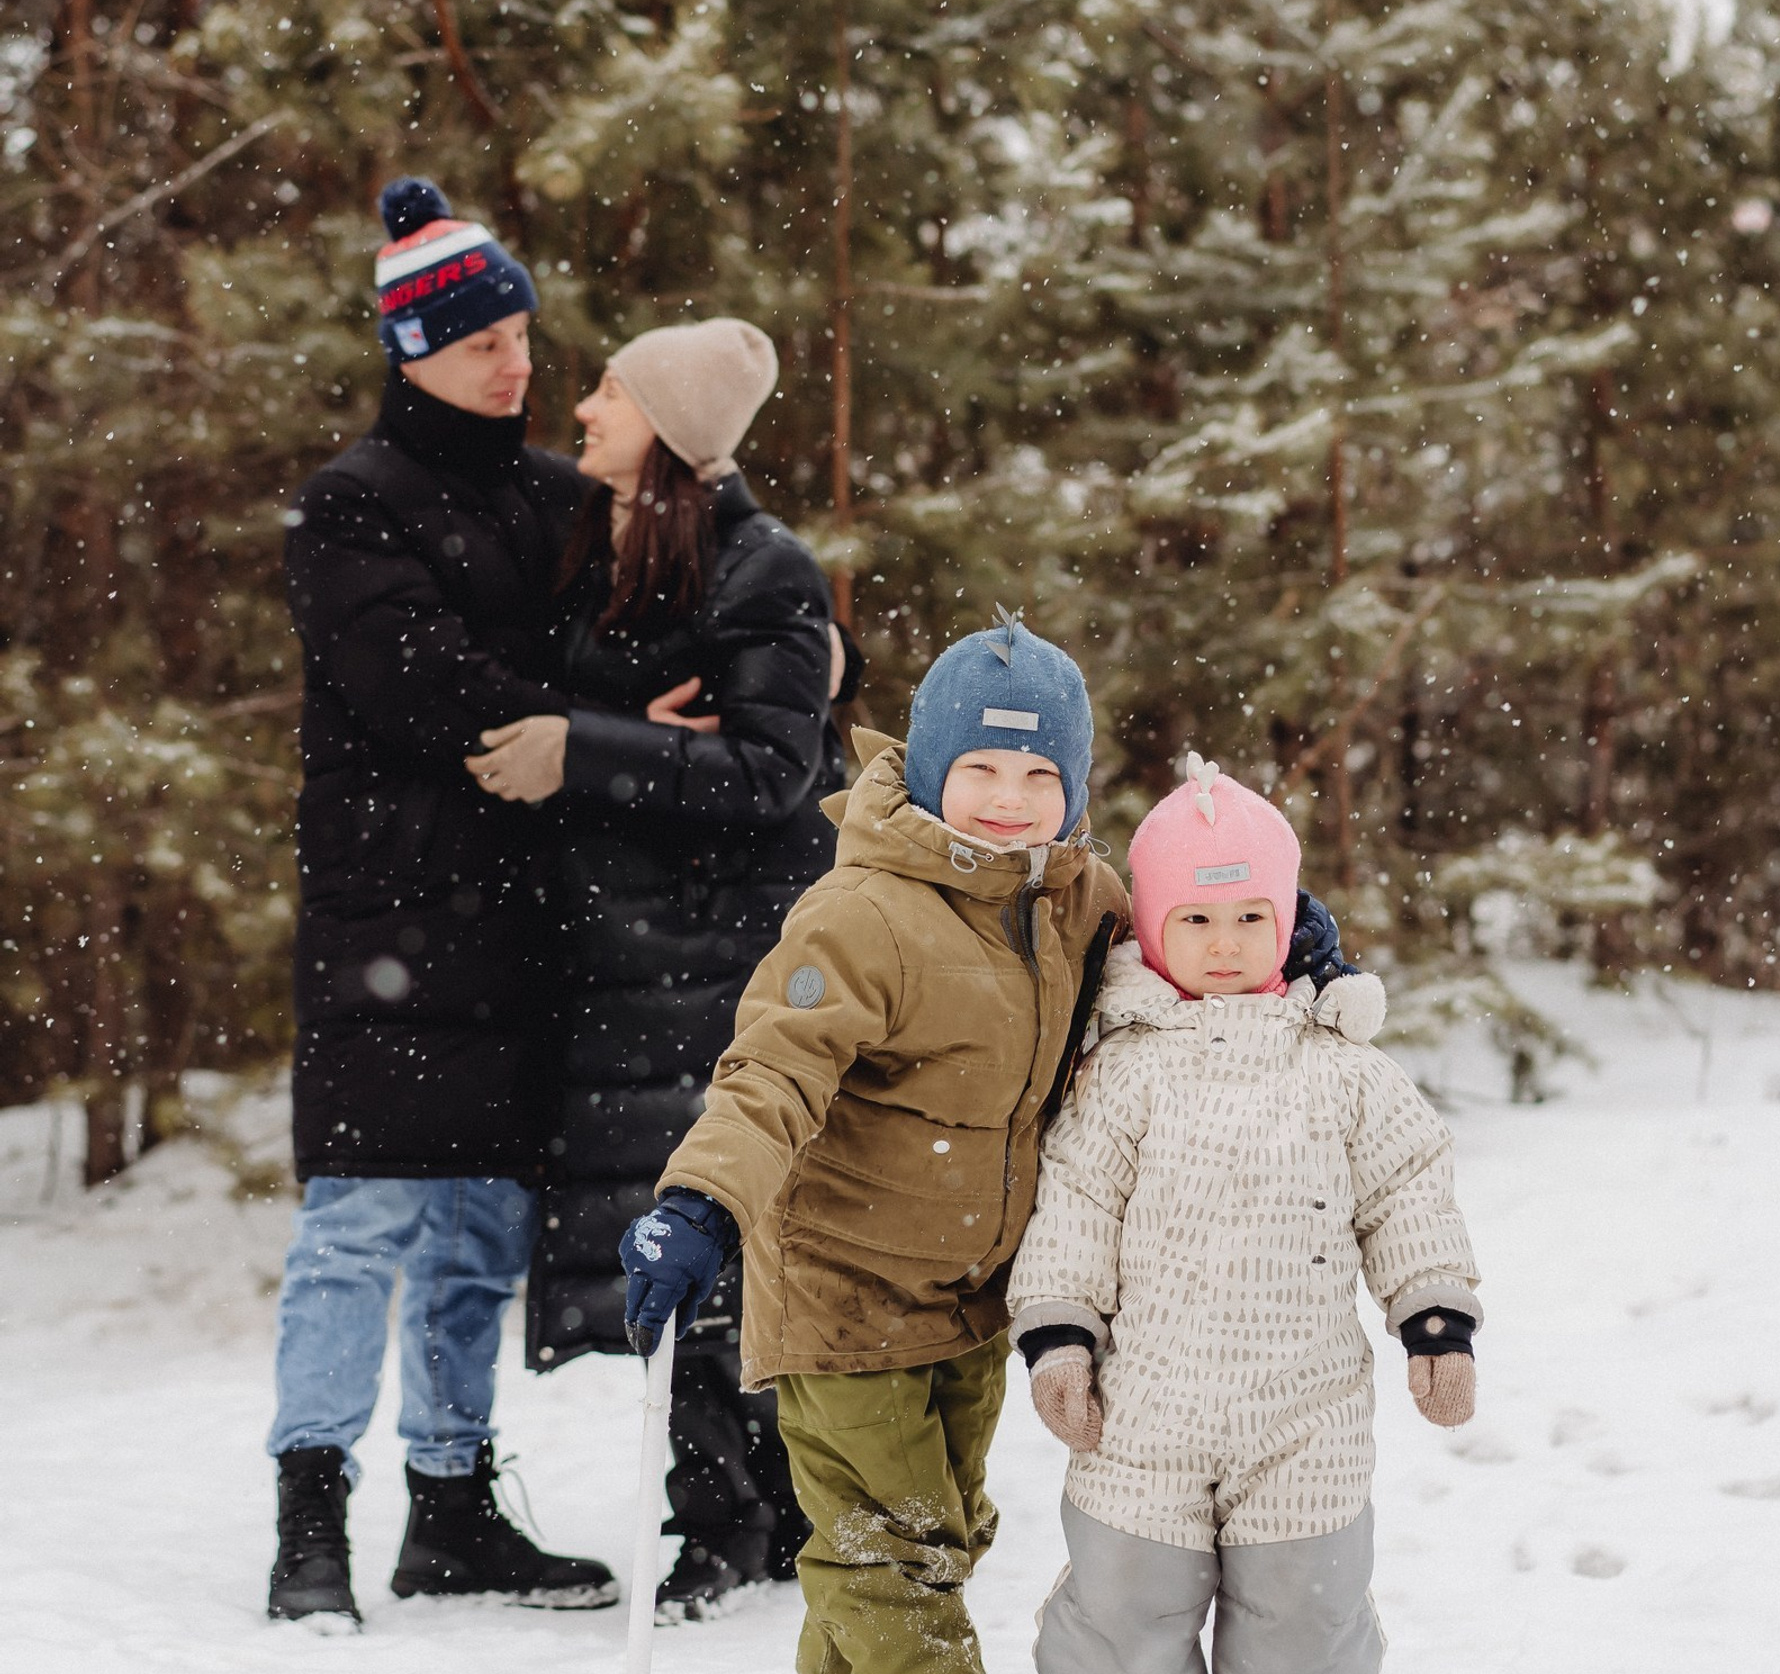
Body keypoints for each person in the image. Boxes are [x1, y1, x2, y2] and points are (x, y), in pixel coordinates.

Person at [612, 618, 1368, 1674]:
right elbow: (773, 1072)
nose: (1009, 799)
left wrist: (1297, 935)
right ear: (929, 769)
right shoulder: (860, 916)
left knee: (936, 1541)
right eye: (980, 769)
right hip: (846, 1297)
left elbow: (1186, 935)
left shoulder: (1078, 900)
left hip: (973, 1300)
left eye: (1038, 775)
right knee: (891, 1561)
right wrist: (702, 1203)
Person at [268, 178, 615, 1625]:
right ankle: (310, 1517)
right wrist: (589, 721)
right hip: (392, 920)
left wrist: (800, 657)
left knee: (483, 1231)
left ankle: (453, 1506)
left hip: (529, 920)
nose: (514, 363)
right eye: (483, 343)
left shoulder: (562, 498)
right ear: (413, 350)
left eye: (522, 335)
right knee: (360, 1226)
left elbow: (664, 623)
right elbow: (416, 683)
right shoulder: (351, 502)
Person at [463, 319, 848, 1617]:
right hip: (620, 968)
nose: (584, 408)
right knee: (663, 1249)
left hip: (721, 967)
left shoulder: (761, 564)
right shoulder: (607, 555)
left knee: (717, 1243)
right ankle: (735, 1511)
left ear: (674, 430)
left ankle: (746, 1521)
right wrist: (616, 729)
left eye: (613, 393)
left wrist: (588, 747)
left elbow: (776, 772)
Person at [1006, 755, 1481, 1674]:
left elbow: (1408, 1189)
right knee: (1120, 1622)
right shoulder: (1123, 1070)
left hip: (1307, 1416)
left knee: (1305, 1625)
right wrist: (1060, 1337)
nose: (1224, 943)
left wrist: (1436, 1321)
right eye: (1196, 919)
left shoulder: (1344, 1070)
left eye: (1250, 918)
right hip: (1142, 1412)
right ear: (1154, 926)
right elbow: (1076, 1201)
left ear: (1287, 920)